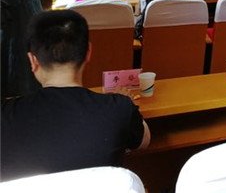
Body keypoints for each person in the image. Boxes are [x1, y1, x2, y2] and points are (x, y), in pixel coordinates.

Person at [1, 10, 150, 180]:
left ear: (33, 60)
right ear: (88, 52)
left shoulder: (5, 115)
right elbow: (144, 141)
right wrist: (125, 101)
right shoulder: (119, 108)